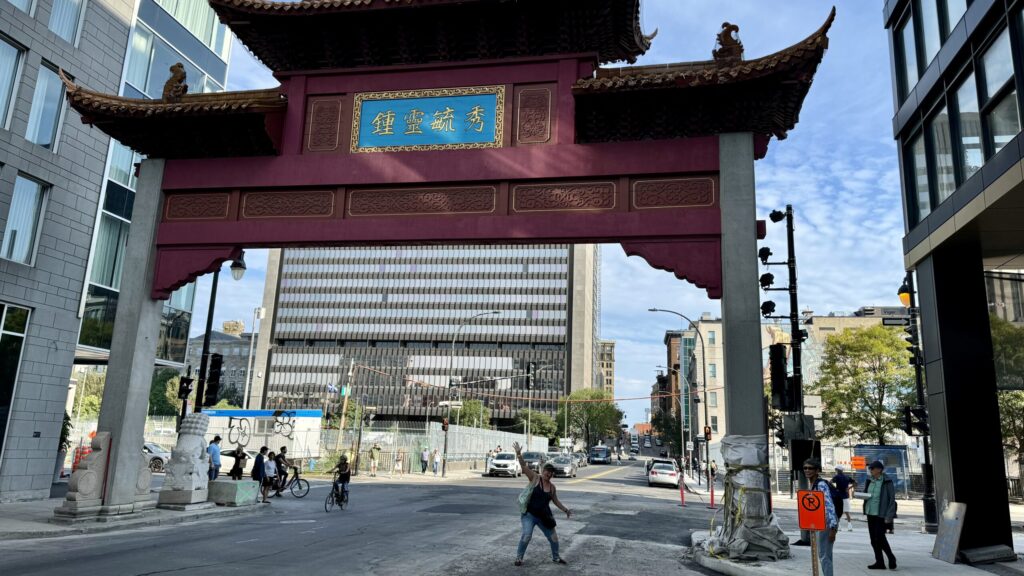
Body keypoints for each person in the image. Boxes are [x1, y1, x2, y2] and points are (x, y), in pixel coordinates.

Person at [512, 441, 571, 566]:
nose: (548, 474)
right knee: (527, 535)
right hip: (529, 515)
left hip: (544, 516)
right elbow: (523, 467)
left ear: (552, 474)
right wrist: (518, 454)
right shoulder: (535, 478)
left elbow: (556, 501)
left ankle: (556, 558)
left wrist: (566, 510)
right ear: (543, 470)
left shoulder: (552, 487)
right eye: (547, 471)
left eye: (551, 472)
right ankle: (519, 558)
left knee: (554, 538)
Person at [803, 459, 838, 576]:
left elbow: (829, 506)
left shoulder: (821, 484)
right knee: (824, 555)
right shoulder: (813, 483)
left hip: (827, 523)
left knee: (824, 555)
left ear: (817, 470)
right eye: (805, 468)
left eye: (810, 468)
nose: (807, 470)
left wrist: (833, 529)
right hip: (819, 522)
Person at [863, 460, 897, 570]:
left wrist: (889, 516)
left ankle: (891, 557)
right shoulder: (869, 481)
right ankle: (879, 562)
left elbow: (892, 500)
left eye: (872, 468)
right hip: (870, 512)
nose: (870, 470)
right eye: (870, 468)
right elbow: (866, 494)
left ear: (879, 469)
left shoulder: (887, 481)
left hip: (881, 514)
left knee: (880, 537)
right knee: (873, 540)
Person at [831, 466, 855, 531]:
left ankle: (839, 527)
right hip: (846, 496)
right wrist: (848, 488)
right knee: (847, 512)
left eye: (836, 470)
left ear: (837, 470)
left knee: (838, 512)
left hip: (838, 497)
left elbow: (830, 482)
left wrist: (835, 488)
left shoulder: (836, 477)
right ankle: (850, 526)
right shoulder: (847, 477)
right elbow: (856, 483)